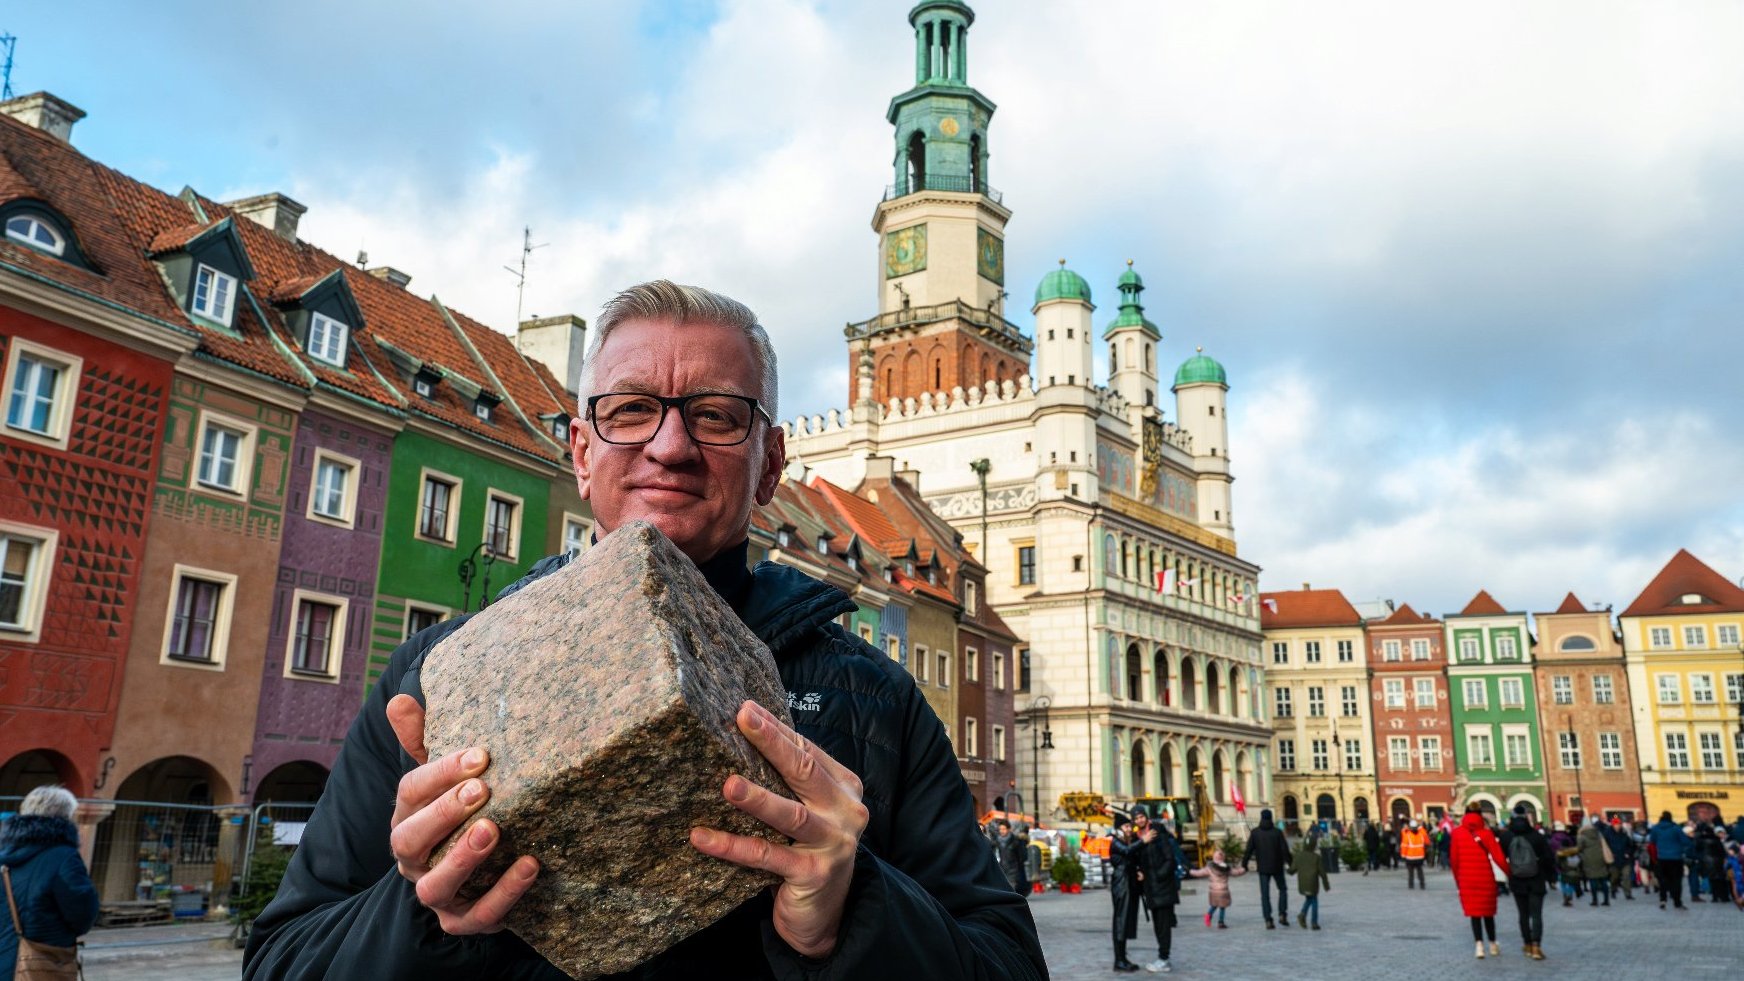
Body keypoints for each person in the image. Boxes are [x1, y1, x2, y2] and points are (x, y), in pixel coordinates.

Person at [243, 282, 1048, 979]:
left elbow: (1007, 966)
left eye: (716, 416)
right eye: (631, 411)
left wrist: (854, 907)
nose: (670, 447)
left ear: (770, 464)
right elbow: (282, 961)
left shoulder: (875, 698)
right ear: (582, 451)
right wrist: (422, 911)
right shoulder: (436, 675)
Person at [0, 786, 98, 978]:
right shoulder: (64, 857)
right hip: (43, 959)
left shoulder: (4, 854)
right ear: (66, 816)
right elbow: (82, 911)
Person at [1449, 802, 1509, 960]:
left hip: (1467, 879)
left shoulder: (1457, 833)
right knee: (1488, 913)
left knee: (1474, 914)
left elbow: (1454, 860)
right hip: (1485, 878)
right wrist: (1509, 873)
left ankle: (1479, 946)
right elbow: (1498, 857)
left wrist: (1457, 880)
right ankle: (1493, 944)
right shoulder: (1487, 834)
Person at [1130, 816, 1189, 974]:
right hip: (1151, 889)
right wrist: (1141, 872)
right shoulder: (1139, 839)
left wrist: (1158, 876)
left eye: (1141, 816)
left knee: (1163, 926)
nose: (1139, 820)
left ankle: (1164, 959)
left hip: (1162, 887)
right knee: (1158, 925)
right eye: (1136, 818)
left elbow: (1169, 860)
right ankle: (1163, 958)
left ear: (1146, 818)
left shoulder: (1158, 835)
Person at [1496, 803, 1554, 961]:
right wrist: (1551, 878)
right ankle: (1536, 947)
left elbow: (1500, 856)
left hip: (1517, 879)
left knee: (1523, 914)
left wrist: (1509, 872)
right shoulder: (1537, 836)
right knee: (1536, 915)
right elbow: (1548, 858)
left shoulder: (1506, 836)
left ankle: (1527, 944)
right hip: (1536, 879)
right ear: (1527, 817)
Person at [1240, 809, 1293, 929]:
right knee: (1282, 889)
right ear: (1271, 818)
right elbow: (1284, 849)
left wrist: (1244, 864)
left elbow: (1248, 850)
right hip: (1277, 866)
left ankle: (1268, 919)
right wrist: (1291, 863)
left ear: (1261, 817)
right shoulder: (1277, 832)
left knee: (1265, 894)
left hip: (1263, 868)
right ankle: (1282, 914)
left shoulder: (1255, 833)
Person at [1109, 816, 1142, 972]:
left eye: (1130, 826)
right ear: (1119, 828)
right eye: (1126, 826)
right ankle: (1119, 960)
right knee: (1120, 920)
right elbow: (1126, 851)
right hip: (1121, 884)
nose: (1130, 829)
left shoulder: (1125, 840)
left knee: (1125, 920)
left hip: (1127, 882)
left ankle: (1122, 958)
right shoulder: (1115, 840)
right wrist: (1144, 840)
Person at [1187, 846, 1246, 928]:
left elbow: (1199, 873)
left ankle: (1208, 915)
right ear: (1223, 858)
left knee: (1214, 905)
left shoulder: (1210, 868)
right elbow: (1236, 872)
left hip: (1214, 891)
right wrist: (1243, 870)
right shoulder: (1226, 868)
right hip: (1223, 890)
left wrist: (1190, 871)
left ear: (1214, 857)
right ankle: (1220, 922)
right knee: (1222, 906)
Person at [1648, 810, 1688, 910]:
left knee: (1663, 880)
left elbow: (1652, 841)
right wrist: (1681, 849)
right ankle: (1677, 902)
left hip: (1662, 858)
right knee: (1676, 881)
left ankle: (1663, 899)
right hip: (1676, 858)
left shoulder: (1656, 828)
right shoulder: (1676, 828)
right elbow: (1685, 841)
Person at [1292, 832, 1330, 930]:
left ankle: (1302, 914)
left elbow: (1292, 870)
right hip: (1313, 883)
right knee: (1314, 901)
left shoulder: (1299, 856)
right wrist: (1326, 885)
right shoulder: (1316, 857)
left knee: (1309, 899)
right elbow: (1322, 872)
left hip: (1303, 884)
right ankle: (1314, 922)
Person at [1576, 817, 1612, 906]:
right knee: (1603, 879)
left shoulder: (1581, 835)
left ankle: (1595, 900)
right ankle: (1606, 900)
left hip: (1589, 859)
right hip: (1600, 857)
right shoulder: (1598, 833)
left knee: (1593, 880)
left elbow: (1579, 848)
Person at [993, 819, 1029, 897]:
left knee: (1011, 889)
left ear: (1009, 829)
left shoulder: (1015, 841)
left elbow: (1022, 856)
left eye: (1003, 829)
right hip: (1002, 868)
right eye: (1000, 829)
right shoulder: (997, 841)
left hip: (1013, 869)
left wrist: (1019, 866)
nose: (1001, 831)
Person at [1601, 818, 1635, 900]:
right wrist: (1609, 854)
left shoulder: (1624, 834)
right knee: (1614, 877)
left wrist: (1628, 852)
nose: (1618, 826)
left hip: (1625, 859)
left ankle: (1628, 894)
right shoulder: (1607, 834)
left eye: (1619, 824)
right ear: (1613, 825)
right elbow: (1604, 847)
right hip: (1613, 860)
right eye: (1616, 824)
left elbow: (1631, 846)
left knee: (1626, 876)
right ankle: (1613, 890)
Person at [1399, 818, 1428, 889]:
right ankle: (1422, 884)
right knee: (1420, 871)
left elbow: (1404, 846)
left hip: (1410, 857)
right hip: (1420, 857)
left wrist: (1403, 856)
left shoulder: (1407, 835)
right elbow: (1427, 841)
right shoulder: (1421, 834)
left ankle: (1411, 885)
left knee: (1410, 873)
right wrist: (1421, 827)